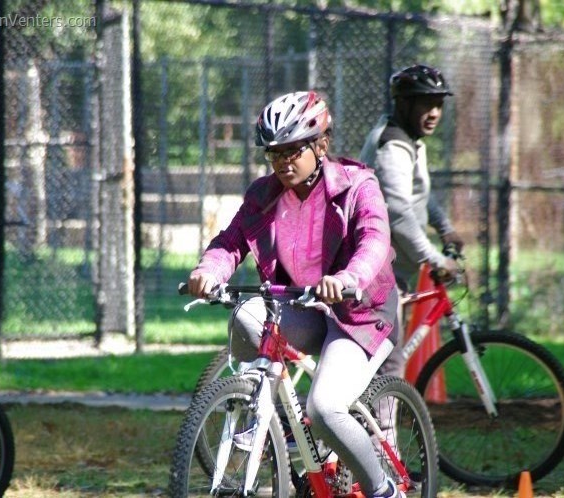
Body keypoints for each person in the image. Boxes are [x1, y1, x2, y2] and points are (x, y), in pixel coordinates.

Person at [187, 91, 404, 498]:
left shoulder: (358, 185)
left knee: (324, 409)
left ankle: (383, 489)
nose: (283, 161)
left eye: (292, 150)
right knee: (247, 315)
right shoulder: (263, 194)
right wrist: (207, 271)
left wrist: (347, 277)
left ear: (321, 145)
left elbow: (374, 240)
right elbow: (230, 243)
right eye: (274, 153)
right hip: (302, 305)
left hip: (357, 314)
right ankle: (265, 416)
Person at [359, 63, 464, 384]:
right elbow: (399, 212)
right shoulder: (393, 146)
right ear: (403, 104)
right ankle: (377, 436)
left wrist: (444, 226)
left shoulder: (409, 140)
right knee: (388, 371)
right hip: (375, 274)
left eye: (439, 105)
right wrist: (435, 259)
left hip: (389, 270)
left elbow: (420, 194)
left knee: (376, 370)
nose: (434, 112)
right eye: (425, 104)